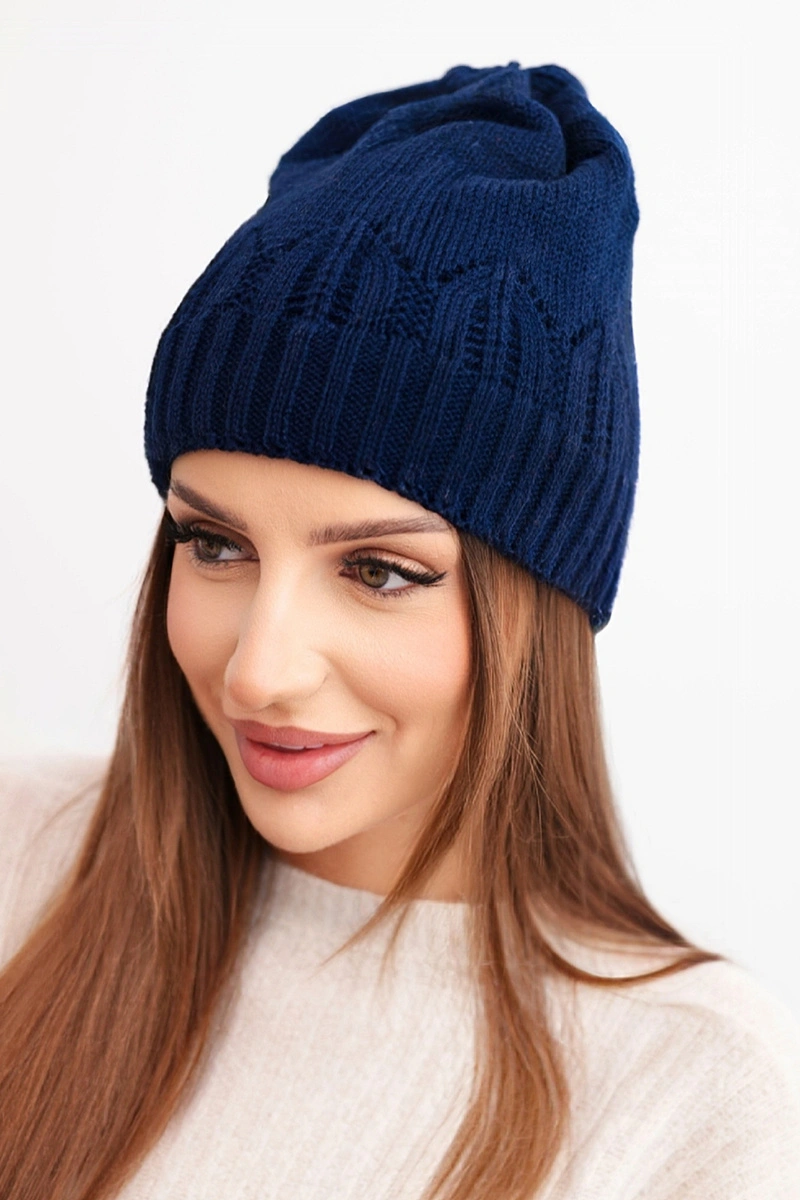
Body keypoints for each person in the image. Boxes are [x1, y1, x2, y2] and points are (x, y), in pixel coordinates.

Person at [0, 61, 797, 1200]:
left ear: (536, 611)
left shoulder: (692, 1093)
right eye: (214, 544)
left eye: (378, 570)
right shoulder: (23, 860)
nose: (260, 670)